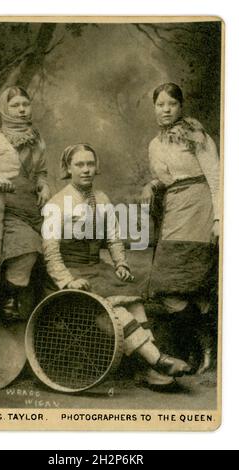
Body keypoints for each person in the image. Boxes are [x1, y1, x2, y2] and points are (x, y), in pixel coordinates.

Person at [41, 143, 190, 390]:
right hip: (70, 274)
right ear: (68, 168)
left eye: (90, 164)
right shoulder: (57, 203)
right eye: (79, 164)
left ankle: (149, 367)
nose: (86, 170)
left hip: (96, 268)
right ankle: (157, 360)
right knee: (116, 311)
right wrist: (68, 281)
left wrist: (120, 263)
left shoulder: (101, 199)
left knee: (135, 300)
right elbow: (51, 252)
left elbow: (113, 237)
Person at [141, 82, 220, 372]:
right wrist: (153, 185)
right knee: (166, 286)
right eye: (160, 105)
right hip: (173, 211)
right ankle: (199, 340)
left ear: (181, 106)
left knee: (188, 283)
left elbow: (216, 178)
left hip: (199, 207)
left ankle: (201, 347)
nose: (166, 110)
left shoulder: (196, 136)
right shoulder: (155, 144)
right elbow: (166, 178)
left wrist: (219, 219)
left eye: (171, 104)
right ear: (154, 108)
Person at [0, 86, 51, 320]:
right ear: (4, 110)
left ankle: (44, 311)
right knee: (28, 247)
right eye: (15, 106)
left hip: (31, 209)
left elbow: (41, 173)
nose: (21, 110)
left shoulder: (37, 141)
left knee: (53, 248)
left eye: (25, 105)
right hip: (1, 210)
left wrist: (43, 185)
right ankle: (5, 298)